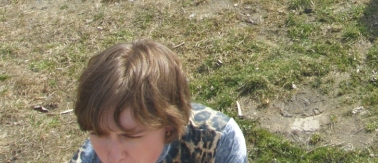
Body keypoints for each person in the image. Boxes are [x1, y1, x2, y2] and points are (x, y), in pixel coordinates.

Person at [69, 40, 248, 163]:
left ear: (167, 126)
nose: (114, 157)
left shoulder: (217, 139)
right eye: (100, 134)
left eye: (130, 136)